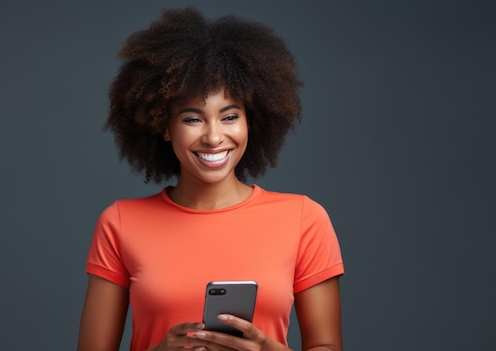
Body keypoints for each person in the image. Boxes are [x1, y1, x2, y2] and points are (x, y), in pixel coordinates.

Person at [78, 7, 344, 351]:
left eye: (230, 116)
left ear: (252, 120)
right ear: (163, 126)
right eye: (193, 119)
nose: (214, 137)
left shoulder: (304, 220)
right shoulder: (119, 223)